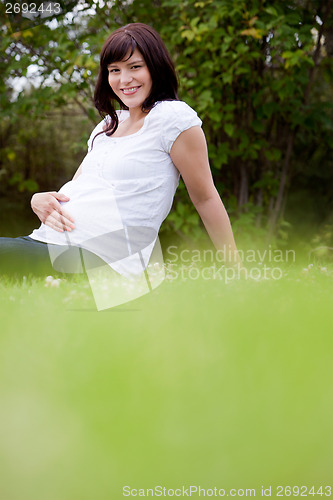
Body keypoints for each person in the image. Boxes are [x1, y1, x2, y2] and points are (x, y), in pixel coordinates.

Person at [0, 22, 240, 279]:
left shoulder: (173, 117)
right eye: (115, 70)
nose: (125, 80)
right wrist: (38, 200)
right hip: (47, 242)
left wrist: (236, 269)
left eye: (135, 67)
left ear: (155, 67)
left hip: (101, 257)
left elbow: (205, 197)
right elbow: (77, 189)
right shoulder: (107, 125)